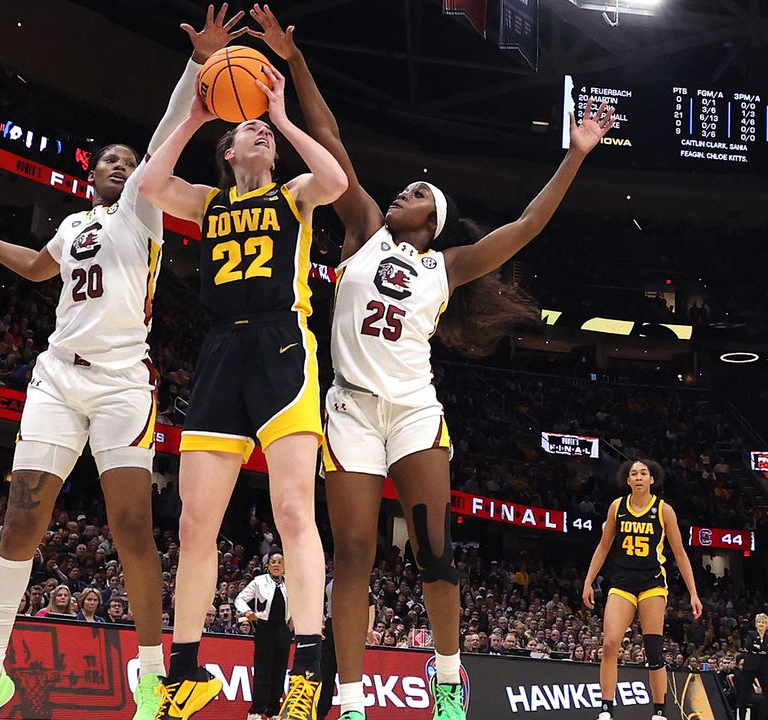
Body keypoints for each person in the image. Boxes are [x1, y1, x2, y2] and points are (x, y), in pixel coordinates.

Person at [246, 7, 616, 719]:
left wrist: (575, 153)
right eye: (404, 189)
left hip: (414, 411)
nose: (400, 193)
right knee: (350, 557)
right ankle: (350, 701)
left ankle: (448, 682)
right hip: (350, 407)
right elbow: (331, 139)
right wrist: (294, 61)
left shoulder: (446, 266)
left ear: (432, 220)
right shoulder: (358, 230)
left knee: (434, 556)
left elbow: (528, 226)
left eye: (416, 194)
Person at [0, 8, 249, 720]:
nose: (122, 165)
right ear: (90, 175)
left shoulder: (145, 209)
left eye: (129, 160)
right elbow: (39, 271)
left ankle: (148, 680)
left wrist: (199, 64)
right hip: (57, 374)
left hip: (120, 384)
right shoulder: (75, 225)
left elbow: (170, 126)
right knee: (21, 516)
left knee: (131, 526)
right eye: (111, 159)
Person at [136, 27, 347, 720]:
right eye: (250, 129)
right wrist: (196, 115)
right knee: (196, 524)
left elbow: (339, 180)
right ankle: (188, 671)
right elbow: (150, 183)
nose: (260, 133)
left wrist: (284, 116)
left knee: (292, 511)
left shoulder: (294, 196)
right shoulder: (208, 200)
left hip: (283, 348)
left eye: (267, 133)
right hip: (222, 352)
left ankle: (309, 669)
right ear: (227, 151)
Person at [582, 459, 702, 720]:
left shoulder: (663, 510)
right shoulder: (617, 507)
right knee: (611, 642)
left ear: (652, 479)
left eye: (643, 473)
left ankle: (659, 712)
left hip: (652, 583)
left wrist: (693, 592)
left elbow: (680, 553)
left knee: (653, 649)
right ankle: (605, 708)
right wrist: (588, 581)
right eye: (633, 473)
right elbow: (604, 546)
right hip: (622, 582)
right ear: (627, 480)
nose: (638, 477)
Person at [234, 554, 291, 720]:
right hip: (265, 628)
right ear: (268, 565)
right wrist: (248, 612)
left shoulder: (290, 583)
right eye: (273, 562)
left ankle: (274, 709)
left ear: (285, 566)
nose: (276, 565)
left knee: (279, 670)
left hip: (283, 629)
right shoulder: (259, 581)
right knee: (263, 669)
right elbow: (240, 599)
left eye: (280, 562)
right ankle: (257, 709)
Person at [736, 614, 768, 720]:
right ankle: (741, 718)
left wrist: (757, 649)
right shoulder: (751, 634)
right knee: (744, 695)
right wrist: (762, 650)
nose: (761, 624)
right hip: (749, 667)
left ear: (767, 625)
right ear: (756, 623)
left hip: (763, 668)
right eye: (759, 622)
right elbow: (748, 646)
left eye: (763, 622)